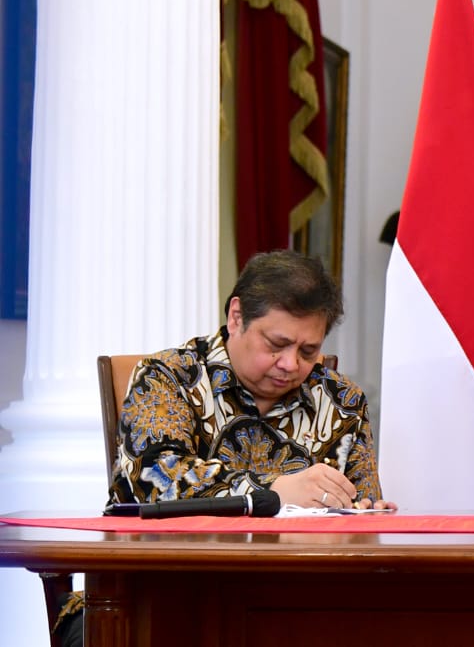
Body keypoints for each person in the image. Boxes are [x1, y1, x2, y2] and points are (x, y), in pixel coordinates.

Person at [53, 251, 395, 646]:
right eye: (277, 343)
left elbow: (361, 513)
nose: (290, 364)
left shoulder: (341, 401)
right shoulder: (168, 379)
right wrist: (273, 492)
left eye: (307, 351)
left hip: (297, 603)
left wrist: (366, 513)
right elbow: (152, 483)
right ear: (236, 317)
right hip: (165, 594)